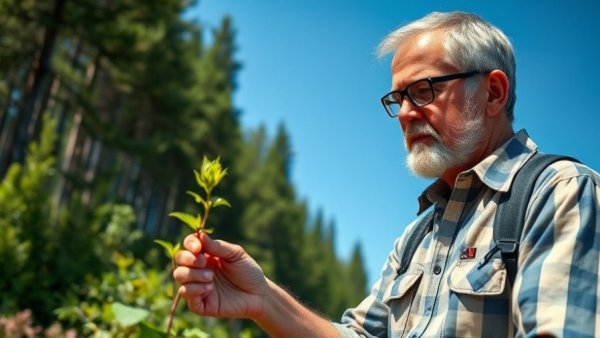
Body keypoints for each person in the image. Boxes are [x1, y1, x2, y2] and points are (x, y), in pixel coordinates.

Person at [173, 11, 600, 337]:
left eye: (423, 90)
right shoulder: (417, 238)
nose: (407, 113)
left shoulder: (558, 193)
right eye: (399, 98)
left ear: (492, 92)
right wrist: (261, 298)